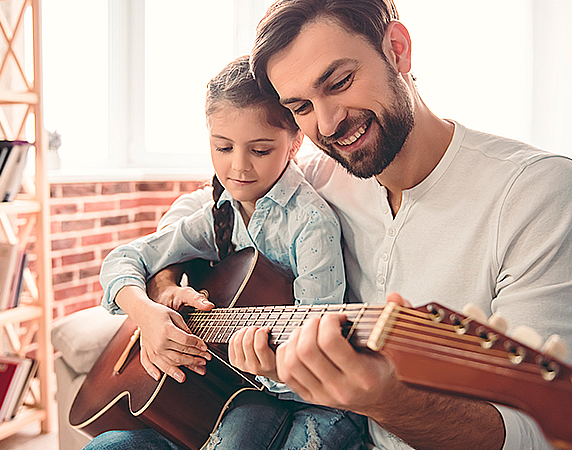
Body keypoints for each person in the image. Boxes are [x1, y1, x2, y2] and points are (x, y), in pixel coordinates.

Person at [153, 1, 572, 449]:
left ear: (398, 49)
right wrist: (162, 292)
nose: (327, 124)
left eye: (340, 82)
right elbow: (200, 208)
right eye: (301, 107)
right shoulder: (318, 174)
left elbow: (542, 434)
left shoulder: (537, 192)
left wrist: (388, 401)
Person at [89, 55, 368, 450]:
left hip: (293, 393)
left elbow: (313, 345)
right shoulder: (219, 214)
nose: (238, 167)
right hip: (237, 385)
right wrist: (147, 314)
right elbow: (122, 260)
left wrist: (270, 364)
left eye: (260, 150)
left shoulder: (310, 223)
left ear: (295, 143)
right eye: (223, 147)